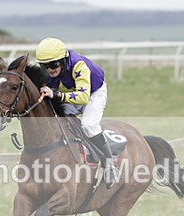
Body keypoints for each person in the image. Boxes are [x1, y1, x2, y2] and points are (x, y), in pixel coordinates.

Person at [35, 37, 120, 187]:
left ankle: (110, 165)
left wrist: (57, 95)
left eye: (53, 64)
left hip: (93, 93)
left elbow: (83, 97)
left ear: (62, 61)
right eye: (44, 66)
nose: (50, 70)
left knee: (88, 125)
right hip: (71, 91)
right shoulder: (50, 71)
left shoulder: (79, 65)